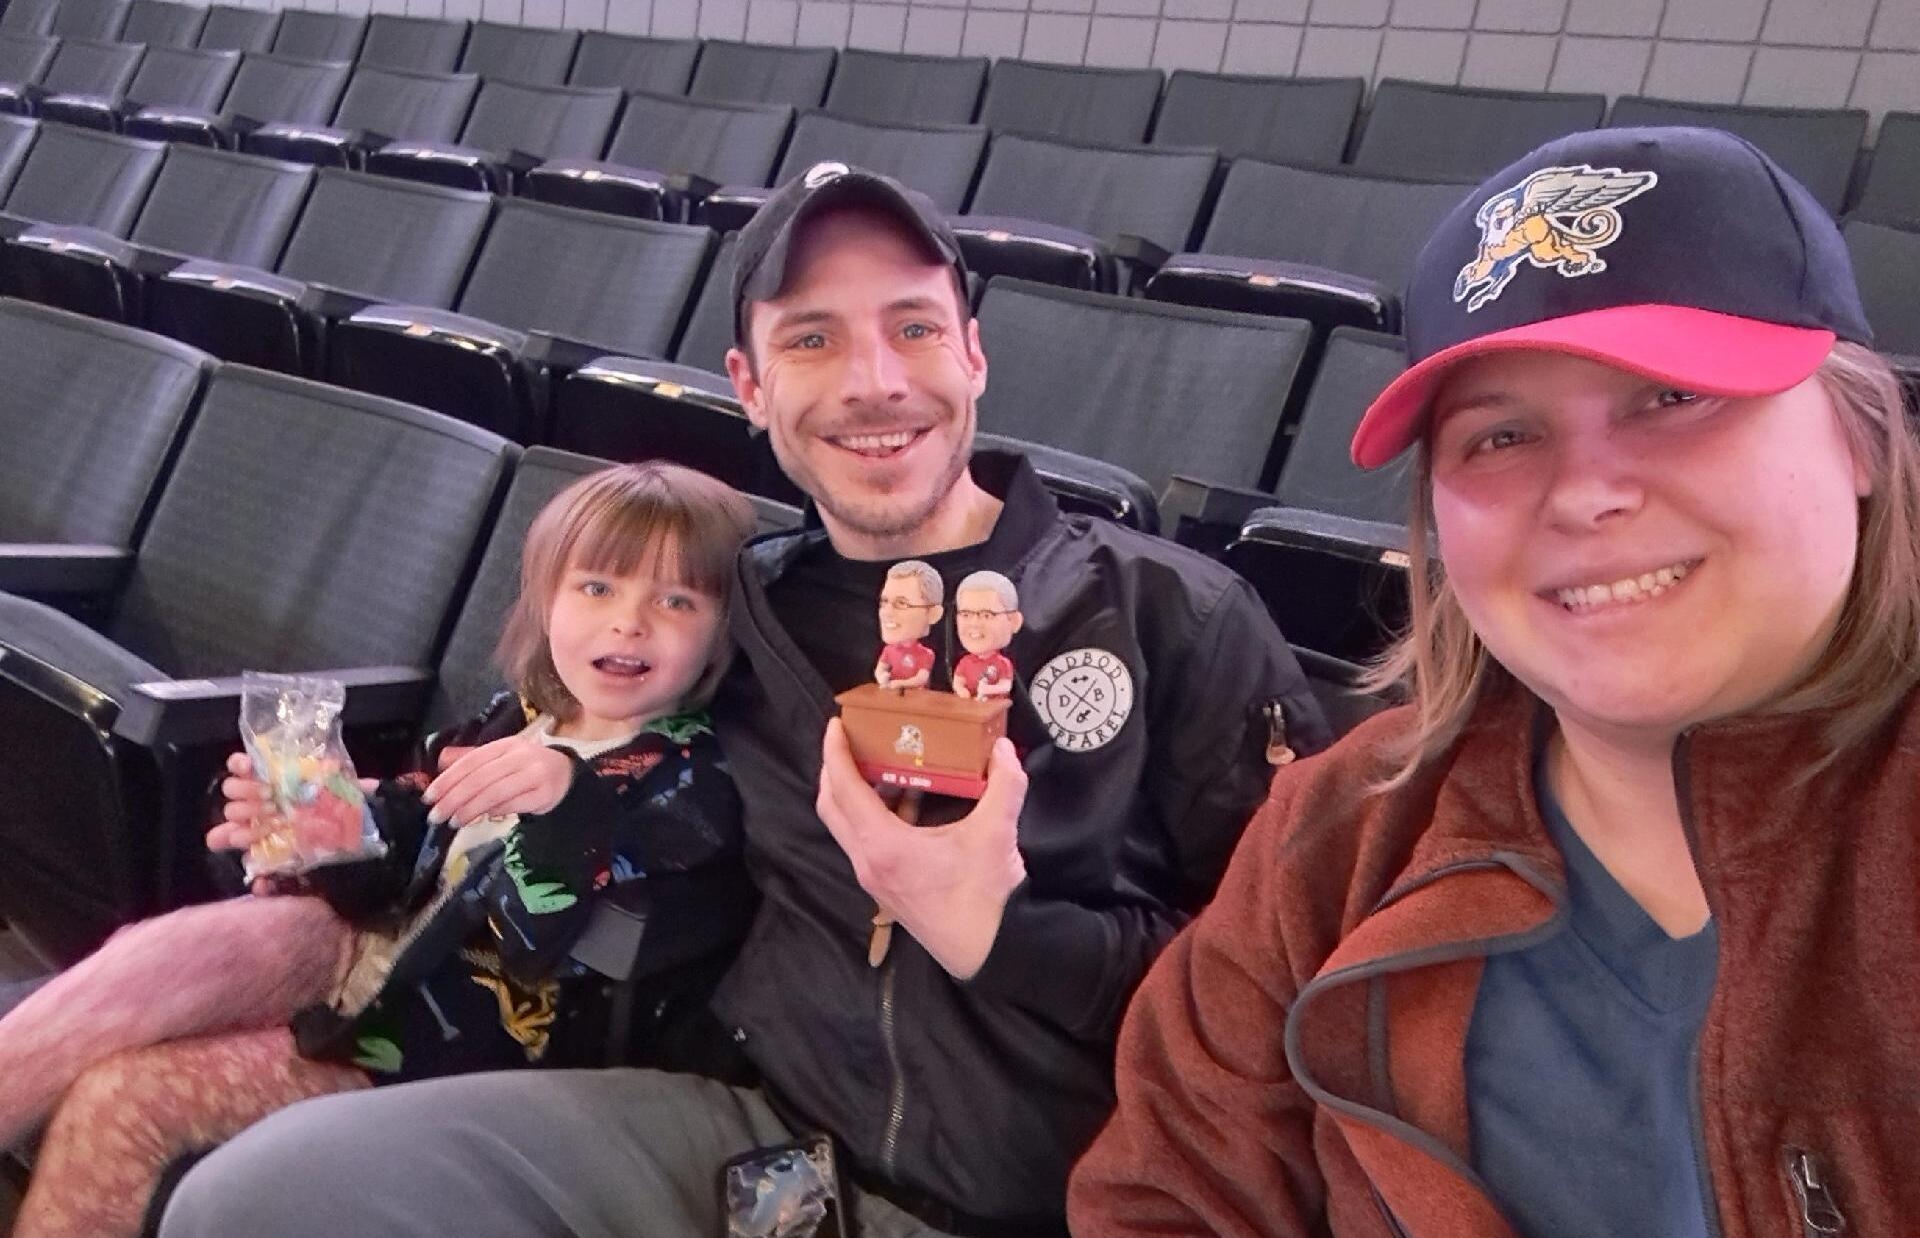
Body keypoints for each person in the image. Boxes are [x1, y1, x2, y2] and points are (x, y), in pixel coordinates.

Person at [156, 163, 1332, 1238]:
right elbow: (548, 760)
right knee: (249, 1196)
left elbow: (1292, 1001)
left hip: (1031, 1199)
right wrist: (345, 824)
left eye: (914, 327)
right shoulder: (733, 609)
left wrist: (1000, 932)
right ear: (751, 388)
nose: (874, 380)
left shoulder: (1172, 616)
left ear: (973, 355)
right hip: (757, 1140)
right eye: (811, 338)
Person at [1069, 126, 1920, 1237]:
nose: (1584, 492)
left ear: (1863, 436)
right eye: (1502, 435)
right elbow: (1163, 1199)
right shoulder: (1336, 837)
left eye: (1673, 397)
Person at [0, 462, 757, 1237]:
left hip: (456, 1055)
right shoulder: (523, 717)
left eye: (676, 601)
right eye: (597, 588)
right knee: (163, 957)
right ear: (546, 602)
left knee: (122, 1101)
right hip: (380, 968)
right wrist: (329, 831)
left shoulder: (700, 786)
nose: (630, 622)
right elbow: (409, 848)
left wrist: (565, 806)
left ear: (722, 631)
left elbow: (541, 954)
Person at [951, 570, 1020, 700]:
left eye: (986, 615)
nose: (974, 623)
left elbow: (1005, 686)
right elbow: (958, 681)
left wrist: (988, 690)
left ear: (1014, 621)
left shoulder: (1002, 663)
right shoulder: (965, 662)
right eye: (966, 614)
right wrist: (961, 691)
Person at [874, 559, 942, 690]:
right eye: (884, 602)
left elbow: (921, 679)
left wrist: (900, 684)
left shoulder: (926, 654)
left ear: (933, 614)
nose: (886, 612)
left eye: (902, 603)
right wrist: (883, 677)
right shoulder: (889, 650)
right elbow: (880, 669)